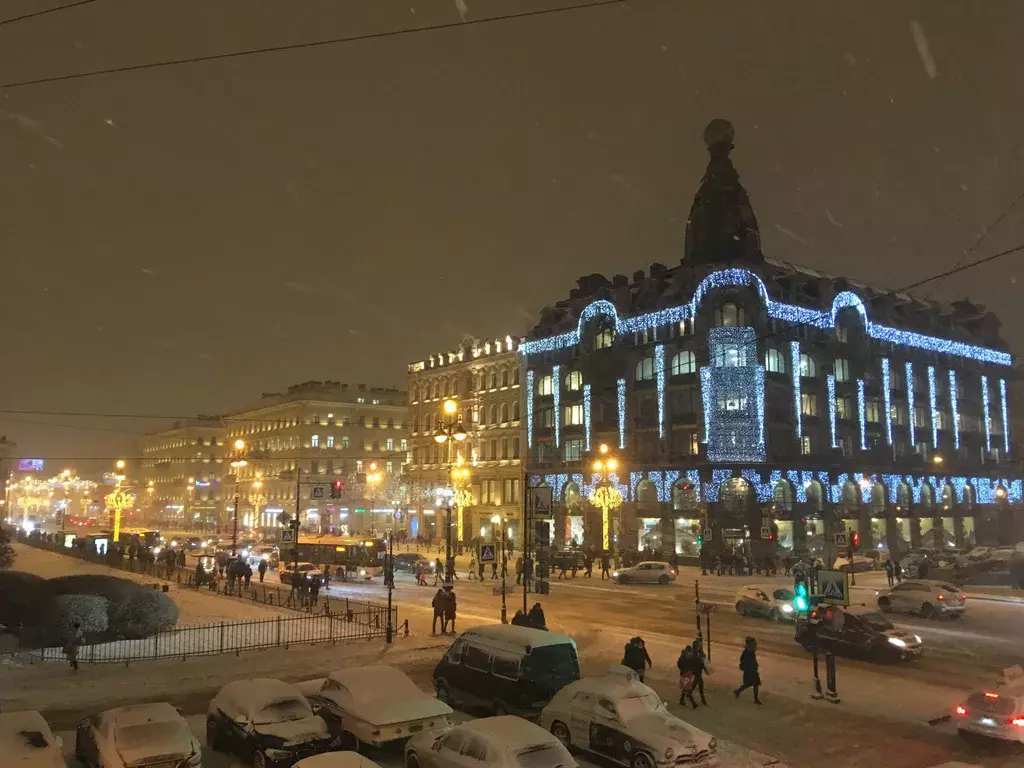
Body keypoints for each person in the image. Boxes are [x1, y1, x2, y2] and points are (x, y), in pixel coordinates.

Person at [733, 636, 762, 704]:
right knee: (752, 684)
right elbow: (743, 660)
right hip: (750, 670)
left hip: (751, 670)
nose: (755, 645)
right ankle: (755, 699)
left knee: (751, 684)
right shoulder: (747, 652)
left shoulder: (749, 651)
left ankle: (738, 691)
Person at [690, 639, 709, 705]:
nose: (700, 646)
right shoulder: (694, 654)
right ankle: (702, 699)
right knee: (700, 684)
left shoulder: (698, 653)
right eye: (699, 645)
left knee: (696, 684)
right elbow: (699, 662)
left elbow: (701, 662)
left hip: (697, 672)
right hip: (695, 672)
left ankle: (689, 694)